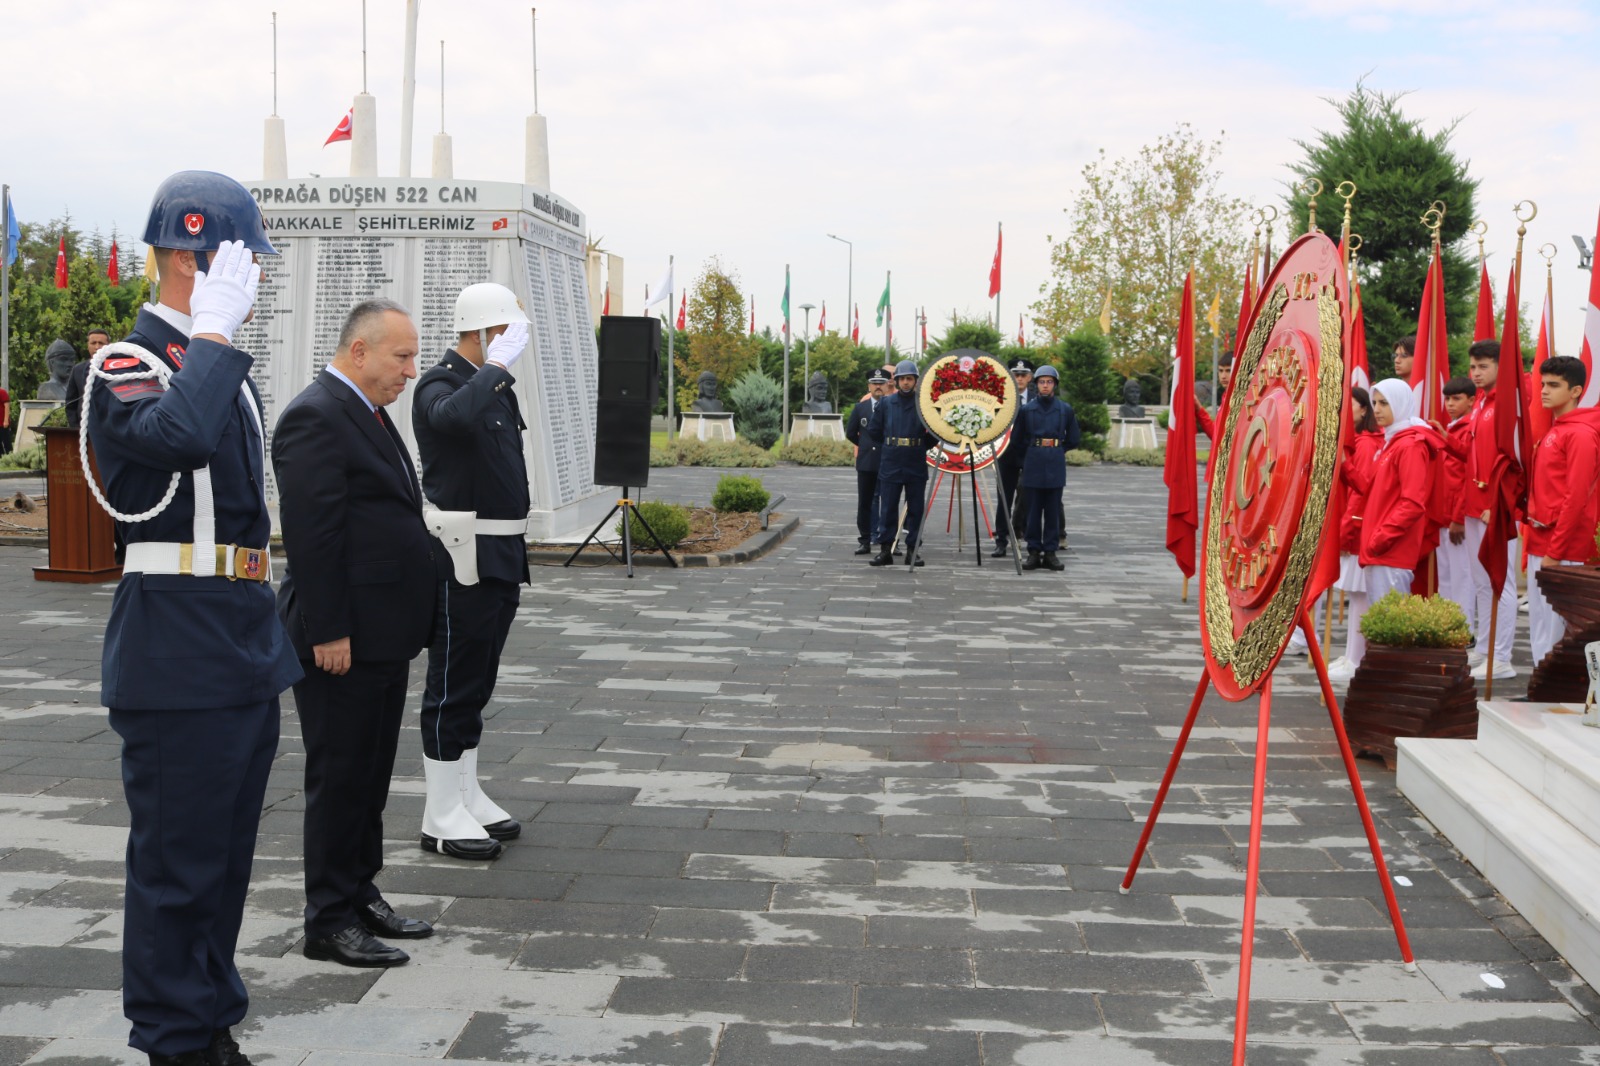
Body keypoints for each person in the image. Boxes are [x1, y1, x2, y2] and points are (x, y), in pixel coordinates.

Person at [85, 171, 301, 1066]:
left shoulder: (215, 368)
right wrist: (209, 332)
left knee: (221, 863)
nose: (253, 278)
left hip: (239, 631)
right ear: (188, 254)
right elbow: (172, 444)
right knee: (177, 870)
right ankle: (175, 1041)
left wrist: (212, 342)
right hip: (177, 636)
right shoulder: (127, 365)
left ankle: (209, 1022)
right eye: (240, 259)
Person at [273, 299, 439, 968]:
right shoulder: (316, 415)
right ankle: (327, 919)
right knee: (340, 776)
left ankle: (360, 891)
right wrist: (330, 630)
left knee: (369, 775)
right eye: (402, 356)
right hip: (341, 638)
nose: (411, 369)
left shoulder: (367, 413)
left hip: (382, 634)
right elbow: (314, 538)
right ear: (360, 352)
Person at [411, 282, 533, 861]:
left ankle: (465, 791)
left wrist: (496, 373)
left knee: (478, 681)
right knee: (453, 682)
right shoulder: (441, 383)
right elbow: (453, 421)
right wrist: (495, 370)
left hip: (502, 553)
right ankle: (439, 812)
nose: (511, 347)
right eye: (504, 334)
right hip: (464, 554)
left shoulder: (492, 387)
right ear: (483, 332)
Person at [1330, 378, 1440, 682]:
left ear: (1401, 404)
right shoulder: (1393, 442)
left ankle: (1392, 686)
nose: (1377, 410)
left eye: (1384, 403)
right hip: (1380, 550)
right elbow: (1371, 489)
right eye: (1375, 403)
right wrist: (1345, 467)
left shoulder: (1411, 445)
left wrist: (1379, 539)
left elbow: (1413, 502)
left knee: (1390, 626)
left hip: (1391, 551)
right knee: (1382, 624)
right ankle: (1383, 682)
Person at [1525, 356, 1600, 665]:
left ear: (1575, 391)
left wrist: (1555, 551)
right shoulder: (1556, 429)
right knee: (1541, 628)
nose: (1543, 391)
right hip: (1542, 539)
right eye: (1543, 384)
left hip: (1564, 547)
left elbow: (1577, 498)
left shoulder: (1580, 434)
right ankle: (1538, 692)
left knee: (1557, 633)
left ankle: (1550, 697)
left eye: (1554, 385)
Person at [1310, 387, 1383, 669]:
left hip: (1357, 529)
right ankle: (1353, 655)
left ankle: (1357, 658)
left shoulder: (1364, 444)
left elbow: (1359, 490)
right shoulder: (1362, 441)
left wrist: (1344, 532)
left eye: (1347, 405)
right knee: (1358, 595)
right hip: (1356, 527)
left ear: (1363, 410)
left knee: (1361, 595)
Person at [1462, 340, 1519, 679]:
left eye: (1483, 366)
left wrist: (1498, 505)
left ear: (1500, 365)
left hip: (1494, 508)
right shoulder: (1482, 403)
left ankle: (1502, 657)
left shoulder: (1509, 405)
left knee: (1501, 581)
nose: (1476, 373)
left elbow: (1513, 463)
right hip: (1473, 504)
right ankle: (1485, 649)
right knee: (1482, 582)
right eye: (1473, 367)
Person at [1011, 365, 1081, 571]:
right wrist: (1033, 452)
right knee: (1032, 510)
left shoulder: (1065, 410)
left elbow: (1074, 439)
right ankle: (1033, 551)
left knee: (1052, 509)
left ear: (1055, 385)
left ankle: (1050, 551)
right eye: (1042, 382)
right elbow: (1017, 440)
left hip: (1055, 462)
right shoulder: (1026, 410)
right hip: (1033, 461)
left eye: (1049, 382)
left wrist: (1056, 450)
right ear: (1037, 384)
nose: (1045, 385)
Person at [867, 359, 936, 566]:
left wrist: (920, 445)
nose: (906, 382)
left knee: (916, 508)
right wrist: (891, 444)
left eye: (909, 379)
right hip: (891, 459)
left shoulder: (923, 404)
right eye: (902, 379)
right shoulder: (886, 403)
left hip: (915, 458)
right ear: (895, 382)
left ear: (916, 381)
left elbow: (934, 432)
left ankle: (912, 551)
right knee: (887, 507)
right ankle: (886, 550)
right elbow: (874, 430)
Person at [1431, 377, 1477, 629]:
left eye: (1456, 398)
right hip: (1443, 513)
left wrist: (1459, 518)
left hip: (1458, 516)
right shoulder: (1452, 427)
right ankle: (1449, 627)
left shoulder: (1470, 429)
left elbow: (1468, 477)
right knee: (1446, 577)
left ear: (1471, 400)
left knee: (1462, 577)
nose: (1449, 403)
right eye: (1447, 398)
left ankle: (1463, 629)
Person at [844, 367, 889, 556]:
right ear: (869, 385)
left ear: (887, 386)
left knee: (888, 502)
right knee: (865, 502)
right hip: (866, 463)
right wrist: (864, 445)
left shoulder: (893, 406)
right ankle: (865, 540)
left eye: (881, 383)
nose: (877, 387)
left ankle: (888, 541)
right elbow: (851, 433)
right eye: (874, 383)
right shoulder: (860, 408)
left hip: (888, 461)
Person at [991, 358, 1033, 557]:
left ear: (1030, 377)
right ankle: (1001, 539)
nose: (1020, 378)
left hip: (1030, 453)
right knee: (1004, 498)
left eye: (1023, 375)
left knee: (1028, 493)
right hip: (1006, 453)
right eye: (1016, 375)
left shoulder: (1036, 398)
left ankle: (1025, 532)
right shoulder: (1002, 399)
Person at [64, 327, 111, 429]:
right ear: (88, 345)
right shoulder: (78, 370)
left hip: (109, 428)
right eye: (93, 343)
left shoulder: (117, 369)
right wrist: (76, 428)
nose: (97, 347)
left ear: (108, 346)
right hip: (83, 430)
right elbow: (70, 403)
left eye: (101, 343)